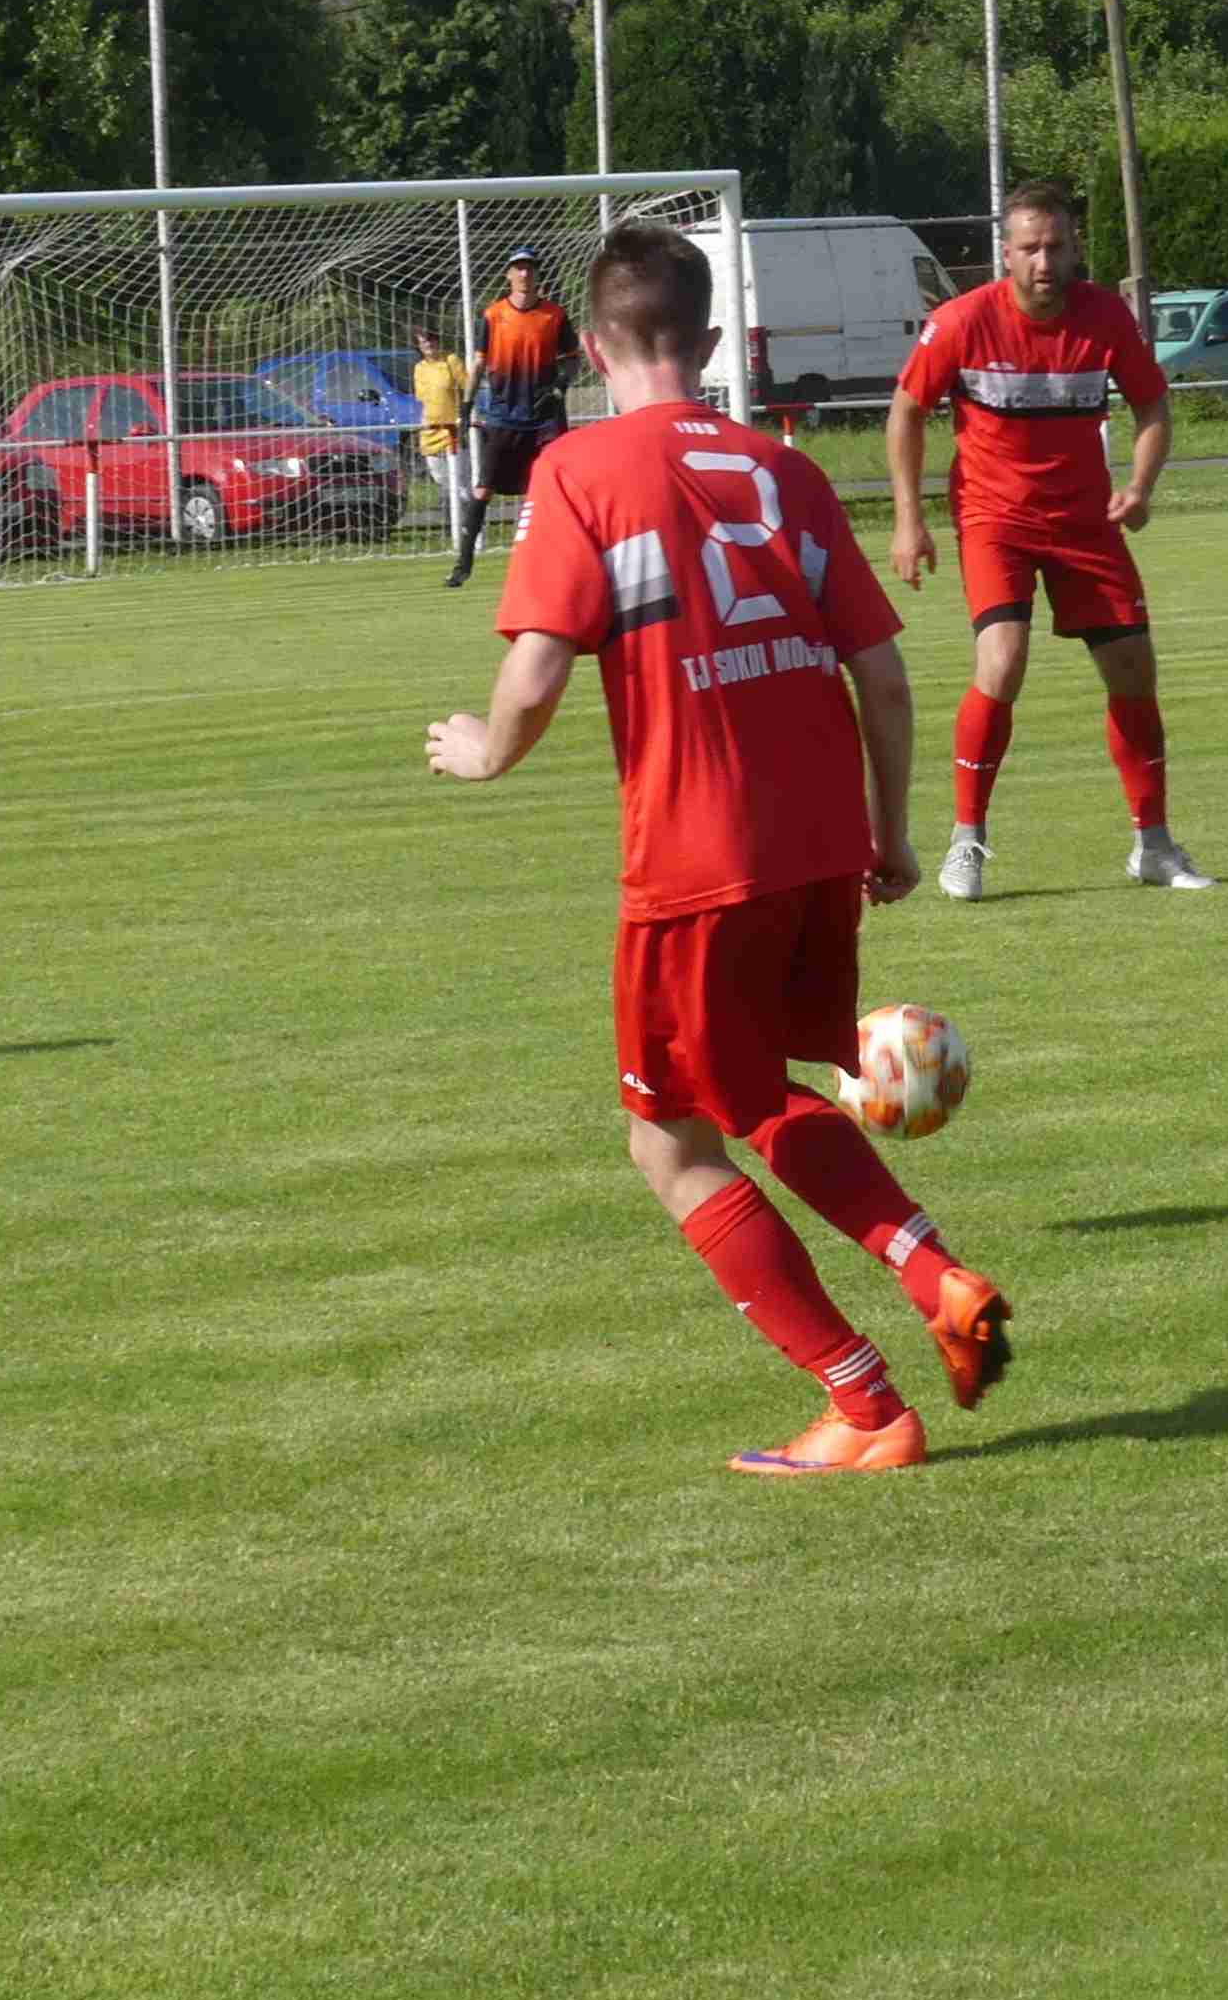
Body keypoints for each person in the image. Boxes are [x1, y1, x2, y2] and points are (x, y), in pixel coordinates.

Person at [425, 223, 1011, 1477]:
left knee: (670, 1140)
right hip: (819, 844)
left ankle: (864, 1405)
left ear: (591, 350)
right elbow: (884, 676)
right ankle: (935, 1274)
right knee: (753, 1095)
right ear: (707, 341)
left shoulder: (579, 470)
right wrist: (890, 832)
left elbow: (535, 673)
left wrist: (484, 751)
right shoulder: (783, 471)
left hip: (696, 857)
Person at [887, 179, 1210, 902]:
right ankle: (966, 840)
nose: (1043, 261)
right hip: (995, 520)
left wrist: (1140, 485)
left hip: (1084, 522)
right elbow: (906, 410)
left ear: (1074, 249)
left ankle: (1153, 844)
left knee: (1134, 670)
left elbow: (1153, 405)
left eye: (1055, 246)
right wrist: (910, 519)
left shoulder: (1104, 317)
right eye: (1029, 247)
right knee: (1002, 661)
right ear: (1005, 252)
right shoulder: (962, 320)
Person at [446, 247, 577, 588]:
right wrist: (466, 406)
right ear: (508, 274)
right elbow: (478, 363)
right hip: (503, 416)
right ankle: (463, 564)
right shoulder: (492, 315)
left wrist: (560, 386)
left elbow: (572, 359)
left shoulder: (555, 315)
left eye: (530, 268)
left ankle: (561, 563)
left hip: (545, 418)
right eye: (518, 268)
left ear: (537, 274)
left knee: (555, 487)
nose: (524, 274)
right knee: (483, 488)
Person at [410, 325, 472, 538]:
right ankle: (452, 526)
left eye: (431, 339)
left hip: (453, 432)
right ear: (418, 346)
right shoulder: (419, 368)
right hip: (430, 431)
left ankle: (469, 528)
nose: (428, 344)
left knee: (460, 483)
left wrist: (466, 416)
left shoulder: (451, 360)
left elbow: (468, 388)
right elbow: (422, 400)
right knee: (442, 481)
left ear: (437, 340)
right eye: (423, 341)